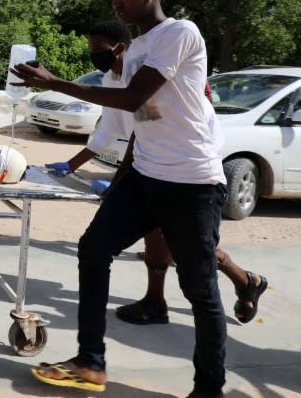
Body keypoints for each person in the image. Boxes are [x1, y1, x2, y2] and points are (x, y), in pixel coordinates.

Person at [12, 0, 229, 398]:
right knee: (93, 249)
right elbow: (139, 117)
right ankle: (90, 363)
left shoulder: (179, 33)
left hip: (191, 181)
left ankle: (210, 389)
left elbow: (133, 97)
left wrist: (57, 83)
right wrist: (121, 179)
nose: (117, 3)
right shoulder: (135, 51)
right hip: (146, 174)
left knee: (198, 287)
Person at [46, 21, 268, 326]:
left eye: (99, 49)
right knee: (157, 238)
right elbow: (117, 129)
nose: (94, 55)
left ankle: (245, 281)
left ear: (121, 48)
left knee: (186, 247)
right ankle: (155, 301)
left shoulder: (149, 68)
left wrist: (119, 181)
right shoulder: (113, 79)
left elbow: (144, 129)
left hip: (190, 159)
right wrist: (73, 165)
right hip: (157, 161)